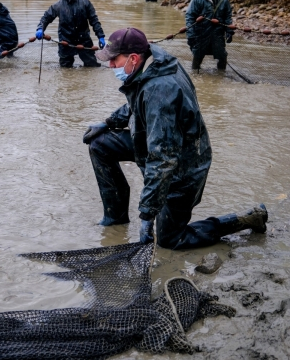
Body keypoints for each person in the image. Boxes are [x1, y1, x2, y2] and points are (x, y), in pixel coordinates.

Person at [83, 27, 268, 249]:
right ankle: (116, 218)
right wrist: (108, 122)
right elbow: (137, 102)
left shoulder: (159, 90)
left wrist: (146, 214)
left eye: (114, 60)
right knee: (100, 144)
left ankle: (247, 218)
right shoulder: (151, 63)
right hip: (154, 143)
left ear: (133, 58)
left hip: (184, 167)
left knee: (171, 240)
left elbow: (163, 159)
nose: (110, 65)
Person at [35, 0, 105, 68]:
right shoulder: (58, 5)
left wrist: (100, 36)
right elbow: (46, 18)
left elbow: (94, 20)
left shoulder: (85, 2)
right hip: (65, 40)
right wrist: (40, 28)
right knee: (65, 69)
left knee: (92, 66)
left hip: (83, 40)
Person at [185, 0, 233, 71]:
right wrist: (191, 35)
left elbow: (227, 16)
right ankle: (195, 78)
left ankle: (221, 77)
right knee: (197, 58)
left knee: (222, 57)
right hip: (201, 34)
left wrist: (229, 31)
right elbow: (189, 17)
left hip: (218, 34)